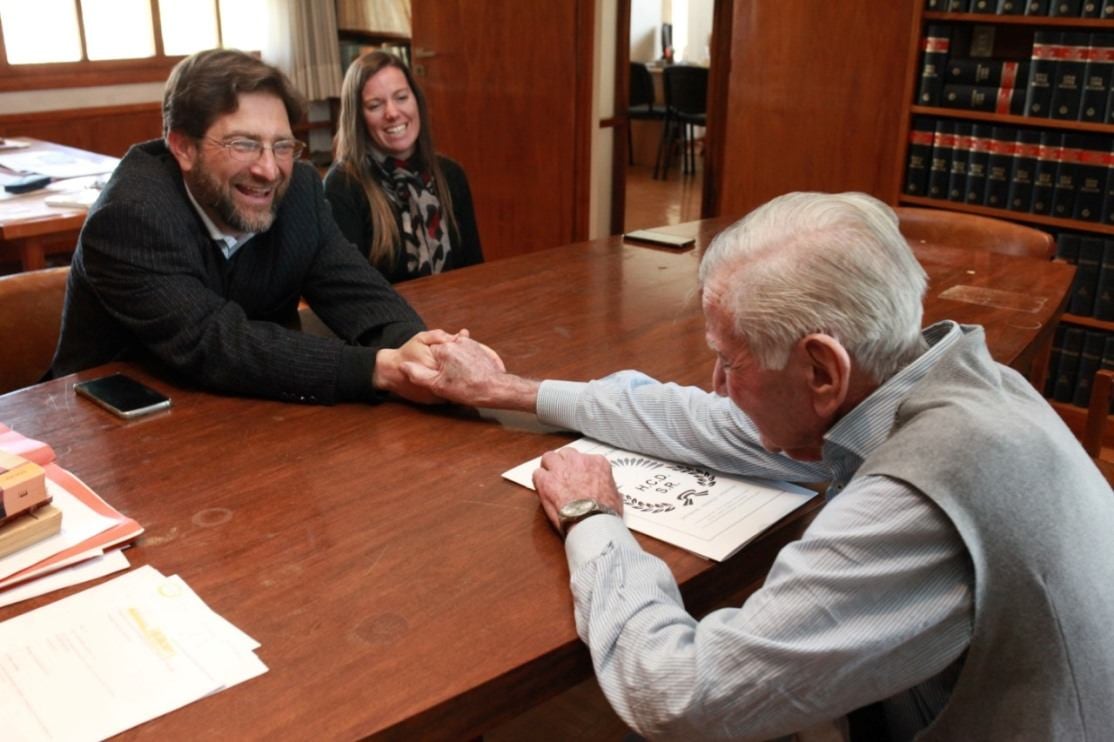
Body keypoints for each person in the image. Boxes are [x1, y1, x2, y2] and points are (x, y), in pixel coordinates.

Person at [401, 192, 1114, 740]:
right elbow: (711, 422)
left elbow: (682, 696)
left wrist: (595, 520)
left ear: (822, 371)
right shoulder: (943, 376)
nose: (714, 381)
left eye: (728, 359)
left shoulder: (918, 501)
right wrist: (513, 391)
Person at [48, 49, 453, 405]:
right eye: (243, 144)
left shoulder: (300, 191)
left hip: (247, 411)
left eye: (281, 145)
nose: (269, 169)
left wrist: (419, 350)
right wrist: (380, 370)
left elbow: (358, 291)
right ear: (183, 147)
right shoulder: (131, 216)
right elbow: (217, 343)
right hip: (111, 431)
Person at [324, 51, 482, 283]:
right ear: (357, 117)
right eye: (375, 105)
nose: (392, 113)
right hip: (386, 318)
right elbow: (348, 291)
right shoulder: (343, 186)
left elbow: (474, 272)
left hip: (457, 312)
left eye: (401, 97)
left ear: (416, 100)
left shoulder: (451, 174)